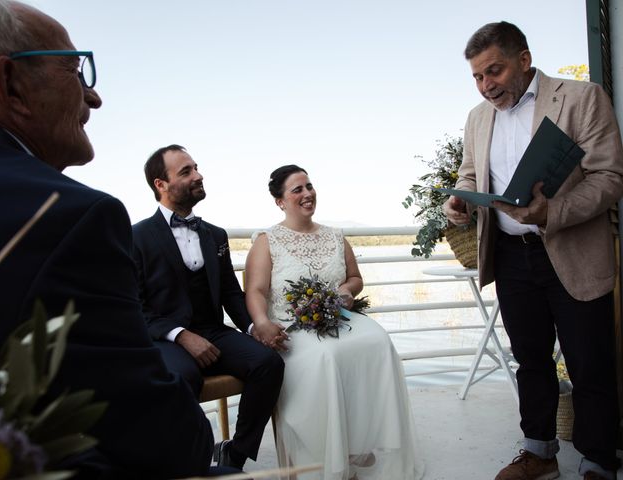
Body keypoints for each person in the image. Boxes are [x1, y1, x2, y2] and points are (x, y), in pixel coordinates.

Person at [0, 1, 237, 478]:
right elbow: (159, 435)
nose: (93, 99)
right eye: (75, 73)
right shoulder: (75, 215)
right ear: (10, 84)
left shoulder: (213, 235)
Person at [444, 21, 622, 480]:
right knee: (530, 360)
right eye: (478, 78)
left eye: (494, 71)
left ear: (524, 59)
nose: (486, 86)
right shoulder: (477, 118)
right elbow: (469, 173)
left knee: (591, 362)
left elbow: (609, 179)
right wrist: (460, 198)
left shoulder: (583, 98)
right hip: (508, 255)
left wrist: (551, 213)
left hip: (573, 250)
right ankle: (540, 453)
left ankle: (599, 459)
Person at [244, 165, 423, 480]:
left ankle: (365, 442)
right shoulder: (266, 240)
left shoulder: (335, 236)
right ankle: (330, 452)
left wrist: (346, 291)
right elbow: (256, 290)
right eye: (297, 189)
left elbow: (356, 279)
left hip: (336, 318)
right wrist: (261, 322)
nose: (307, 194)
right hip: (291, 327)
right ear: (280, 201)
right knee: (327, 357)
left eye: (309, 186)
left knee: (378, 341)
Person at [132, 144, 285, 471]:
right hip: (166, 339)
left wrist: (253, 327)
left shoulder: (215, 235)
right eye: (186, 171)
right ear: (161, 184)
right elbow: (135, 306)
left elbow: (230, 292)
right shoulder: (136, 237)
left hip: (214, 331)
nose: (198, 175)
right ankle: (190, 464)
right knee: (181, 377)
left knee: (268, 363)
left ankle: (234, 456)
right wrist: (181, 335)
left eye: (196, 168)